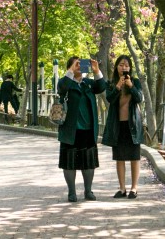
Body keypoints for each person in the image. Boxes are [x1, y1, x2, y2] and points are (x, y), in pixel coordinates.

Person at [57, 55, 106, 202]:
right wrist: (71, 70)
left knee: (88, 161)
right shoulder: (65, 83)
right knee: (69, 161)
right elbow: (62, 88)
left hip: (88, 129)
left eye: (81, 64)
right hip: (69, 129)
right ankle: (72, 192)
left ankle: (88, 191)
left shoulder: (88, 83)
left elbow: (101, 87)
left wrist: (96, 71)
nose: (79, 66)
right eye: (76, 64)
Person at [102, 54, 144, 199]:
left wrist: (131, 86)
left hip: (133, 125)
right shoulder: (111, 83)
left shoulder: (136, 82)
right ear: (116, 67)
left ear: (130, 68)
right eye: (121, 65)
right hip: (117, 125)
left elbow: (139, 98)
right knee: (119, 157)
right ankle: (122, 189)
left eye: (126, 65)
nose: (124, 68)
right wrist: (118, 86)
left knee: (134, 157)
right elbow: (109, 99)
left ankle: (134, 188)